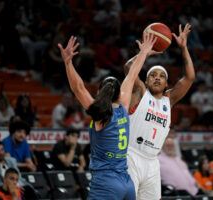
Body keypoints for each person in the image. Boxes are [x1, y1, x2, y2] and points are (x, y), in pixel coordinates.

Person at [58, 33, 156, 199]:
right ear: (119, 94)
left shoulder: (100, 114)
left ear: (98, 92)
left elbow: (79, 89)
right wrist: (143, 53)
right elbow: (132, 75)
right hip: (127, 182)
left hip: (106, 183)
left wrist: (68, 63)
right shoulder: (124, 107)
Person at [124, 23, 195, 200]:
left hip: (153, 161)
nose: (157, 78)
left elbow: (189, 77)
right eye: (153, 75)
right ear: (146, 81)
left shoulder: (168, 100)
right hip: (131, 155)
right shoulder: (140, 92)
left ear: (166, 84)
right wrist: (144, 53)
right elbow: (128, 68)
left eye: (161, 76)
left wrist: (184, 48)